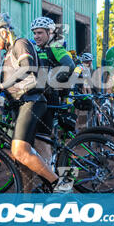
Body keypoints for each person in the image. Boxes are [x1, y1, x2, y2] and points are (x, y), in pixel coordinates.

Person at [0, 13, 71, 193]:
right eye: (34, 33)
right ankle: (26, 201)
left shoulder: (29, 45)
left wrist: (50, 84)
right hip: (23, 103)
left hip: (39, 100)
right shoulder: (11, 53)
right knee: (22, 156)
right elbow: (8, 84)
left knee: (30, 149)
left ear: (4, 32)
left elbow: (29, 70)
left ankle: (58, 186)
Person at [30, 17, 76, 164]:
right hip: (42, 97)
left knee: (43, 138)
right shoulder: (40, 49)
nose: (36, 36)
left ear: (49, 33)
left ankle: (52, 174)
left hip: (51, 98)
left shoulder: (55, 47)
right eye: (34, 33)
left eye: (39, 33)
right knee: (43, 138)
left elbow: (69, 65)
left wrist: (50, 84)